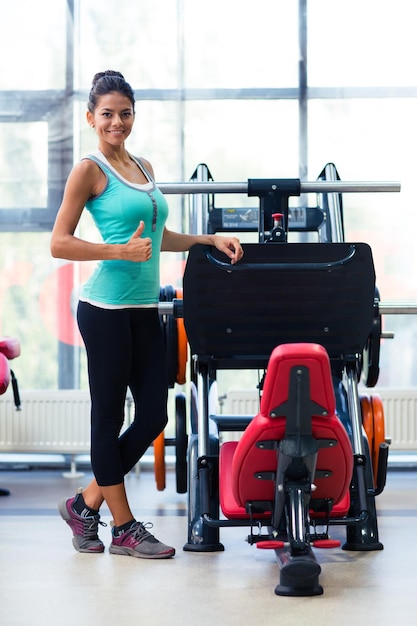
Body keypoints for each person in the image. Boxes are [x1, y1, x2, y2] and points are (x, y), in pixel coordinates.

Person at [50, 70, 244, 560]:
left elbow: (157, 239)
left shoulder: (142, 165)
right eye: (108, 114)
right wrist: (117, 252)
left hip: (143, 310)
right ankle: (124, 528)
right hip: (105, 310)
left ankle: (84, 503)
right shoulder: (89, 170)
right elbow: (59, 242)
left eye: (125, 113)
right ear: (91, 117)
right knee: (109, 417)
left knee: (155, 411)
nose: (117, 122)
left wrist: (205, 239)